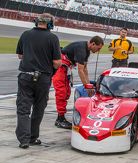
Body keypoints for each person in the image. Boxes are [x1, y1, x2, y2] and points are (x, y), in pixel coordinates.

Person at [16, 13, 62, 149]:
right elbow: (57, 62)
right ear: (50, 24)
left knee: (23, 109)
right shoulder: (53, 38)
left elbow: (20, 55)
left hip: (25, 75)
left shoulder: (25, 34)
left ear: (37, 22)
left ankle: (23, 140)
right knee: (39, 108)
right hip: (43, 78)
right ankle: (32, 137)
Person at [52, 36, 104, 129]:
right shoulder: (81, 49)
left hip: (66, 68)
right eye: (98, 48)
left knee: (67, 92)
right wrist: (87, 87)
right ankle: (60, 119)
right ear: (93, 44)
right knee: (62, 93)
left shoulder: (86, 51)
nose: (98, 50)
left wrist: (89, 85)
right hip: (61, 67)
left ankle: (61, 117)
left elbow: (85, 69)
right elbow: (80, 70)